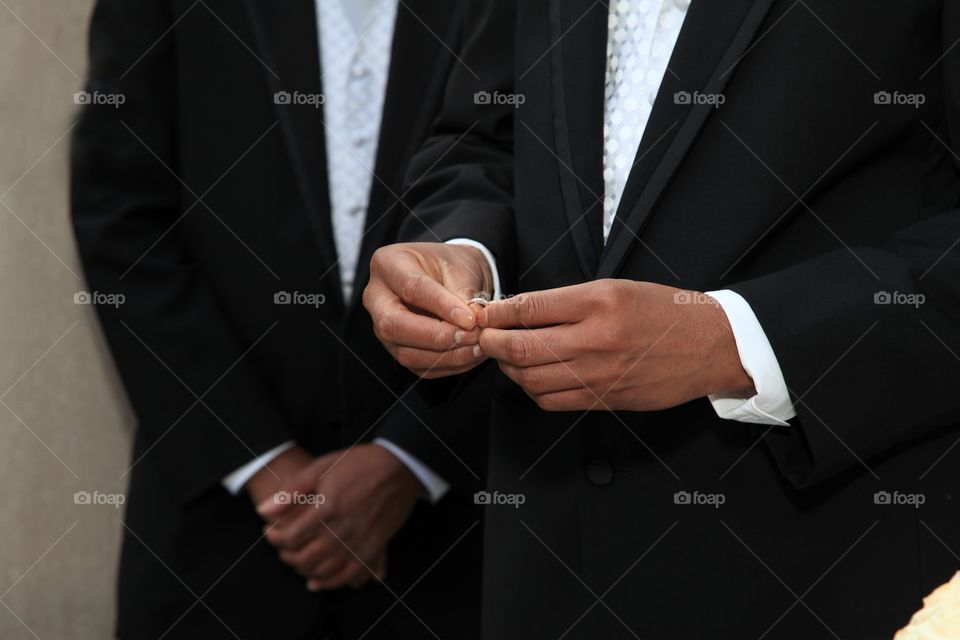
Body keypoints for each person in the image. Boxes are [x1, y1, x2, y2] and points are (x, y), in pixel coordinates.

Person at [363, 1, 960, 638]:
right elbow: (488, 136)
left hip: (840, 568)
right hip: (545, 567)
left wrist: (734, 341)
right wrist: (459, 247)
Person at [71, 1, 485, 638]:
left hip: (455, 544)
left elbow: (536, 214)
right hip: (216, 525)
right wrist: (262, 462)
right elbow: (119, 216)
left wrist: (411, 456)